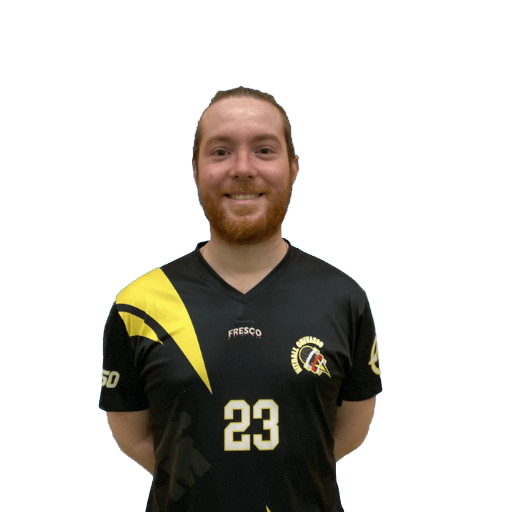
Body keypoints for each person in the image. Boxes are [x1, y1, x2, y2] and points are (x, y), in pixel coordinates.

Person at [99, 85, 382, 512]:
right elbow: (132, 436)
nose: (243, 168)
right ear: (195, 169)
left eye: (264, 150)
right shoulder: (138, 306)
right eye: (221, 152)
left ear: (294, 167)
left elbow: (349, 431)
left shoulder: (344, 298)